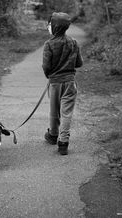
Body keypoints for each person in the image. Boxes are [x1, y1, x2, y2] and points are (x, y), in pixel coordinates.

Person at [42, 12, 83, 155]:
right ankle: (63, 143)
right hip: (70, 83)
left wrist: (50, 75)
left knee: (54, 111)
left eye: (49, 25)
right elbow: (79, 63)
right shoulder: (73, 42)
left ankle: (53, 135)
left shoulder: (49, 44)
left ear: (55, 27)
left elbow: (46, 66)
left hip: (55, 83)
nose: (48, 27)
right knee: (66, 113)